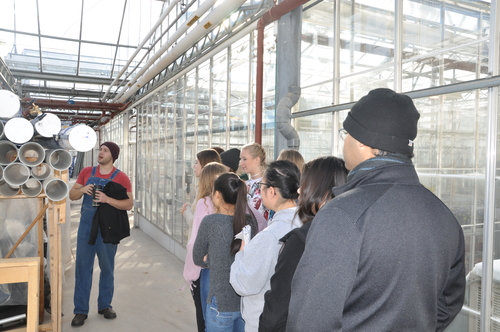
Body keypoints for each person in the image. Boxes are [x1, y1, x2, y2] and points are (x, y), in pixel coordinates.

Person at [286, 88, 466, 331]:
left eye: (346, 134)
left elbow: (310, 319)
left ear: (362, 140)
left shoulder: (343, 215)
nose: (344, 142)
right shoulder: (444, 216)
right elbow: (446, 305)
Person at [259, 156, 348, 332]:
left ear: (321, 190)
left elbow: (276, 313)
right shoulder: (354, 233)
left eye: (306, 184)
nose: (299, 191)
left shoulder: (301, 241)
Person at [230, 160, 301, 332]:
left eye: (261, 185)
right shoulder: (305, 222)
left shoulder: (270, 236)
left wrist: (242, 253)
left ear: (271, 191)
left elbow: (243, 284)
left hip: (264, 321)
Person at [69, 142, 133, 327]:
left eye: (105, 150)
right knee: (82, 268)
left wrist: (107, 199)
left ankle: (105, 305)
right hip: (86, 227)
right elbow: (72, 195)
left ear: (113, 155)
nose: (101, 153)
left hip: (107, 228)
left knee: (107, 267)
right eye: (100, 150)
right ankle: (80, 310)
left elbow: (129, 204)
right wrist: (81, 189)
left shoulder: (121, 177)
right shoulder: (87, 172)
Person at [193, 173, 258, 332]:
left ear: (217, 195)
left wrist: (213, 262)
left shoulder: (210, 222)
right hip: (244, 304)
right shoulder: (249, 221)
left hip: (220, 303)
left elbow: (197, 258)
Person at [184, 162, 227, 332]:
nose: (194, 166)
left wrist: (192, 270)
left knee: (204, 313)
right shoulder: (232, 203)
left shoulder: (204, 203)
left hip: (204, 268)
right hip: (223, 267)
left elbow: (196, 240)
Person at [180, 149, 221, 240]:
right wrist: (191, 207)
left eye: (196, 163)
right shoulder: (213, 189)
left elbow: (197, 223)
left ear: (205, 165)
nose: (193, 166)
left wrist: (186, 212)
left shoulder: (207, 195)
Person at [239, 143, 269, 221]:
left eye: (244, 159)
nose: (241, 163)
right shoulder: (244, 184)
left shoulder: (268, 184)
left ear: (257, 159)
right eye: (240, 159)